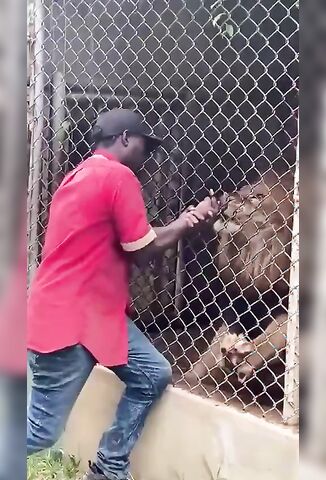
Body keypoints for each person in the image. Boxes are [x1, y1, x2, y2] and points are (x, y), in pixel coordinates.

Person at [27, 109, 221, 480]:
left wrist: (182, 222)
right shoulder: (118, 177)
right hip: (72, 322)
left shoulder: (79, 175)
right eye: (145, 145)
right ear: (126, 138)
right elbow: (142, 248)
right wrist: (188, 220)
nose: (148, 154)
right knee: (39, 431)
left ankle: (108, 468)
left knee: (152, 373)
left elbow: (121, 244)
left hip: (88, 313)